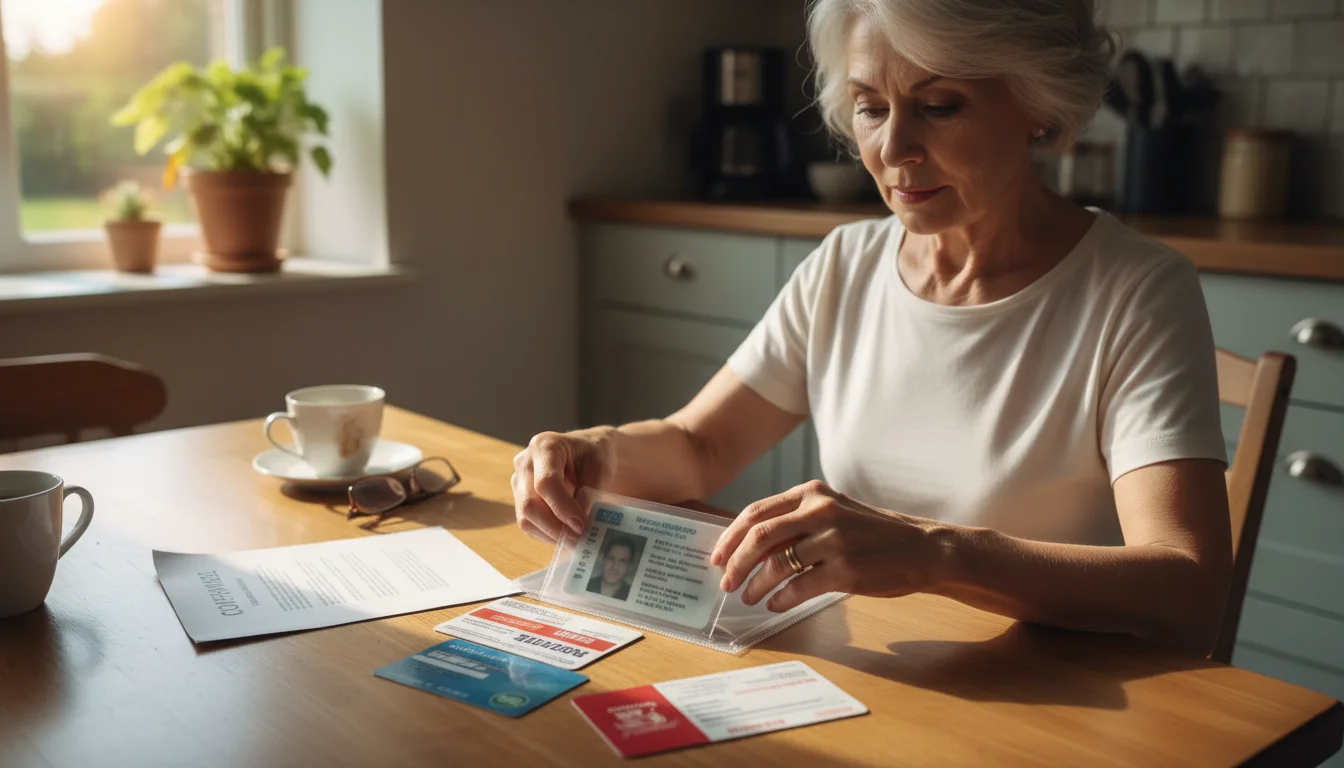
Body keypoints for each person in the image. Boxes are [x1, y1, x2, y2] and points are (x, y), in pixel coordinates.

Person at [514, 0, 1232, 655]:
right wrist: (588, 453)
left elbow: (1188, 588)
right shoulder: (846, 265)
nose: (892, 150)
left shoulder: (1137, 290)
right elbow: (700, 446)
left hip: (1051, 698)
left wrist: (935, 553)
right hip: (873, 669)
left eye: (940, 106)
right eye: (870, 108)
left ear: (1038, 106)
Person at [587, 535, 637, 600]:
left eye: (622, 562)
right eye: (611, 559)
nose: (614, 567)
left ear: (630, 566)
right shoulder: (588, 584)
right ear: (604, 559)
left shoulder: (632, 595)